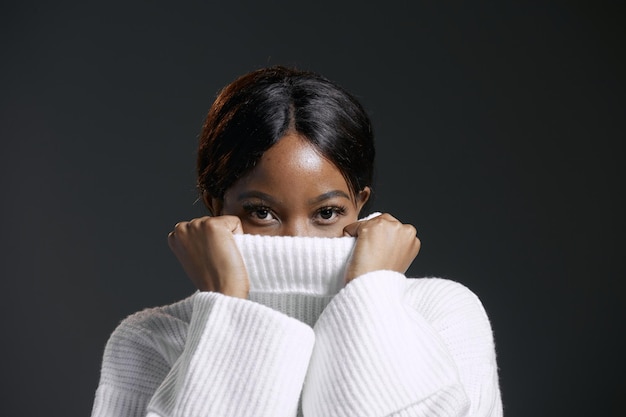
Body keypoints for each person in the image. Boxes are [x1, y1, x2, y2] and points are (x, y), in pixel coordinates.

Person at [91, 65, 503, 417]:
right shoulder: (148, 339)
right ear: (216, 206)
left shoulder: (441, 313)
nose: (295, 239)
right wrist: (229, 305)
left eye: (326, 213)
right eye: (262, 212)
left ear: (359, 206)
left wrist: (371, 296)